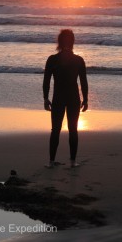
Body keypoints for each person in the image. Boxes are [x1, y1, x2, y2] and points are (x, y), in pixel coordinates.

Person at [43, 29, 88, 168]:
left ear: (59, 42)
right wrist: (85, 99)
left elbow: (46, 81)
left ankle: (51, 162)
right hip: (73, 98)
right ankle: (73, 162)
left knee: (55, 130)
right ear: (73, 41)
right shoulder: (78, 60)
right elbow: (83, 82)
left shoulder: (52, 59)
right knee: (73, 130)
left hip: (58, 98)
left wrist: (45, 98)